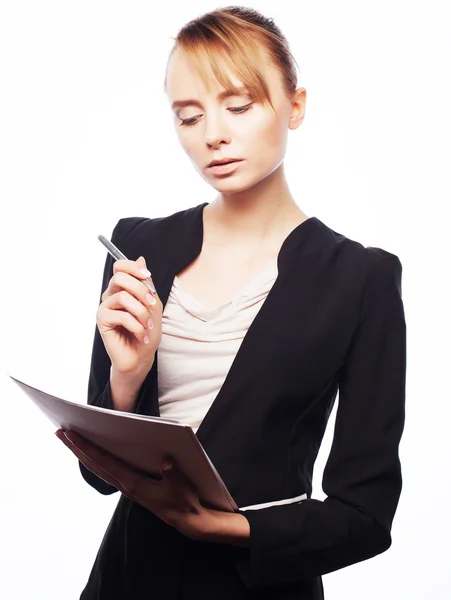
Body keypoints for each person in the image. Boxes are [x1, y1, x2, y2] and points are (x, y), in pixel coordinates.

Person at [56, 6, 407, 599]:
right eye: (188, 116)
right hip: (126, 578)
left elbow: (365, 514)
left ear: (294, 106)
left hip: (259, 589)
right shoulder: (138, 247)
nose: (212, 134)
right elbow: (98, 476)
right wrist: (126, 377)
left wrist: (231, 528)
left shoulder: (359, 278)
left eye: (238, 107)